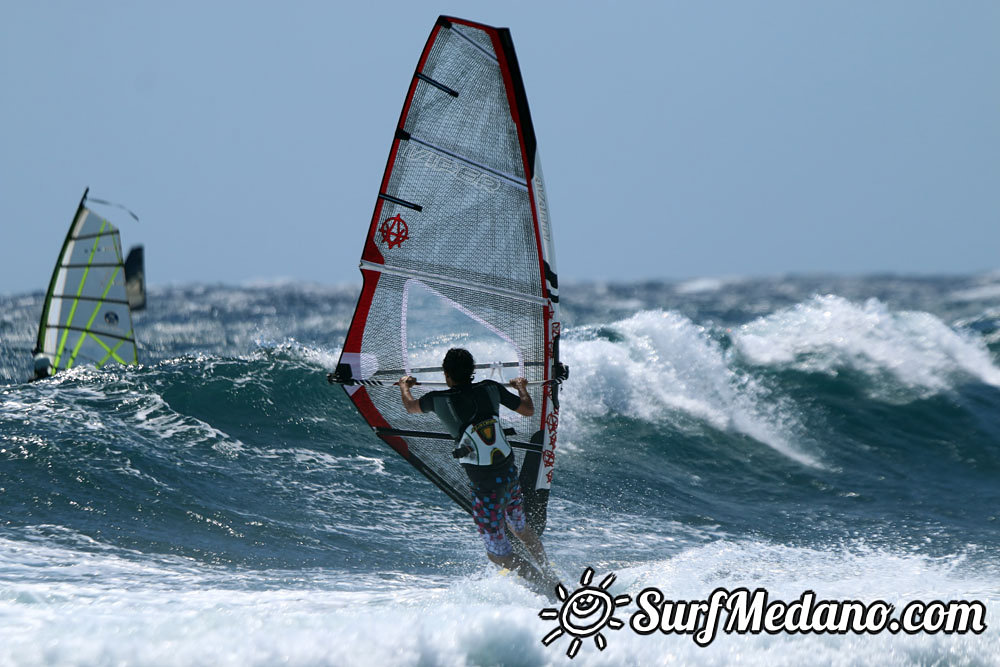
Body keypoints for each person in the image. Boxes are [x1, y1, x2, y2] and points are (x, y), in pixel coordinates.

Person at [398, 347, 550, 578]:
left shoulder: (437, 399)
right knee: (521, 529)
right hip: (509, 475)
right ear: (471, 371)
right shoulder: (491, 387)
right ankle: (549, 572)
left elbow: (410, 406)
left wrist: (404, 386)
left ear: (446, 374)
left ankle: (545, 585)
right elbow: (528, 410)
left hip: (486, 489)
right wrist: (521, 388)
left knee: (499, 555)